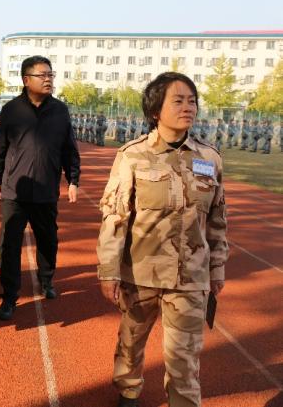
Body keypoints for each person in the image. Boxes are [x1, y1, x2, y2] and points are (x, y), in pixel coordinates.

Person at [97, 72, 228, 407]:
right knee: (131, 343)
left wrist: (217, 269)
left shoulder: (209, 158)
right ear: (156, 110)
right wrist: (109, 271)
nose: (188, 108)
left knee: (185, 358)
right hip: (140, 273)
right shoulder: (133, 155)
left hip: (191, 277)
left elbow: (217, 220)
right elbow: (115, 215)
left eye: (192, 101)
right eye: (178, 101)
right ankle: (129, 390)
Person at [0, 55, 80, 320]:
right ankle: (9, 297)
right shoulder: (11, 110)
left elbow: (69, 149)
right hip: (14, 190)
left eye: (51, 74)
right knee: (10, 245)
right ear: (26, 80)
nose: (48, 79)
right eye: (43, 75)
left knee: (48, 239)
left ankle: (46, 279)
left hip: (46, 189)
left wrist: (73, 180)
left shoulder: (60, 111)